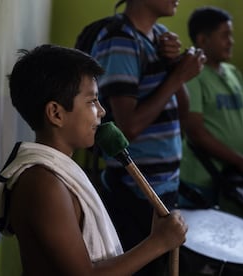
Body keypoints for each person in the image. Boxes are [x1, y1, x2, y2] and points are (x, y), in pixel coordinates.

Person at [0, 44, 188, 276]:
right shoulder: (43, 184)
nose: (102, 111)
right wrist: (159, 242)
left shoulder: (59, 171)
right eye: (92, 101)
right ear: (56, 113)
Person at [88, 0, 205, 275]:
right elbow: (127, 127)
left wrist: (174, 65)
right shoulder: (120, 39)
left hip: (162, 186)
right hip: (135, 189)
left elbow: (183, 112)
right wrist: (178, 76)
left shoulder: (158, 37)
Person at [179, 6, 243, 207]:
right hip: (200, 179)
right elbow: (196, 132)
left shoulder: (234, 73)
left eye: (231, 35)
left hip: (233, 175)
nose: (231, 41)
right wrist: (241, 161)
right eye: (225, 35)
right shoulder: (192, 75)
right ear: (202, 40)